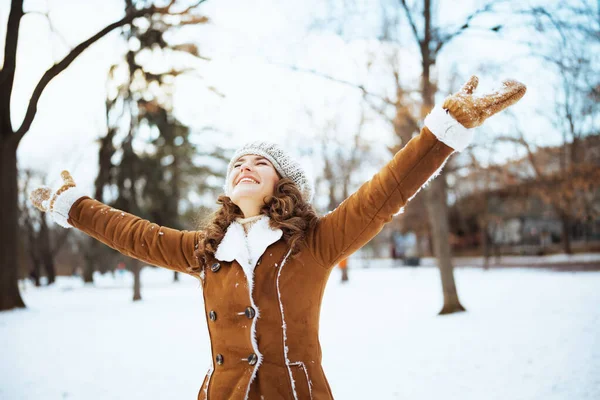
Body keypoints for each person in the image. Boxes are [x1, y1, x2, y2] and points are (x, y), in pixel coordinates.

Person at [30, 76, 525, 399]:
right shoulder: (205, 251)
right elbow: (133, 234)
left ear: (280, 184)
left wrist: (442, 131)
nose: (245, 167)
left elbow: (383, 193)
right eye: (237, 164)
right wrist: (74, 207)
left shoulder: (317, 241)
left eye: (259, 163)